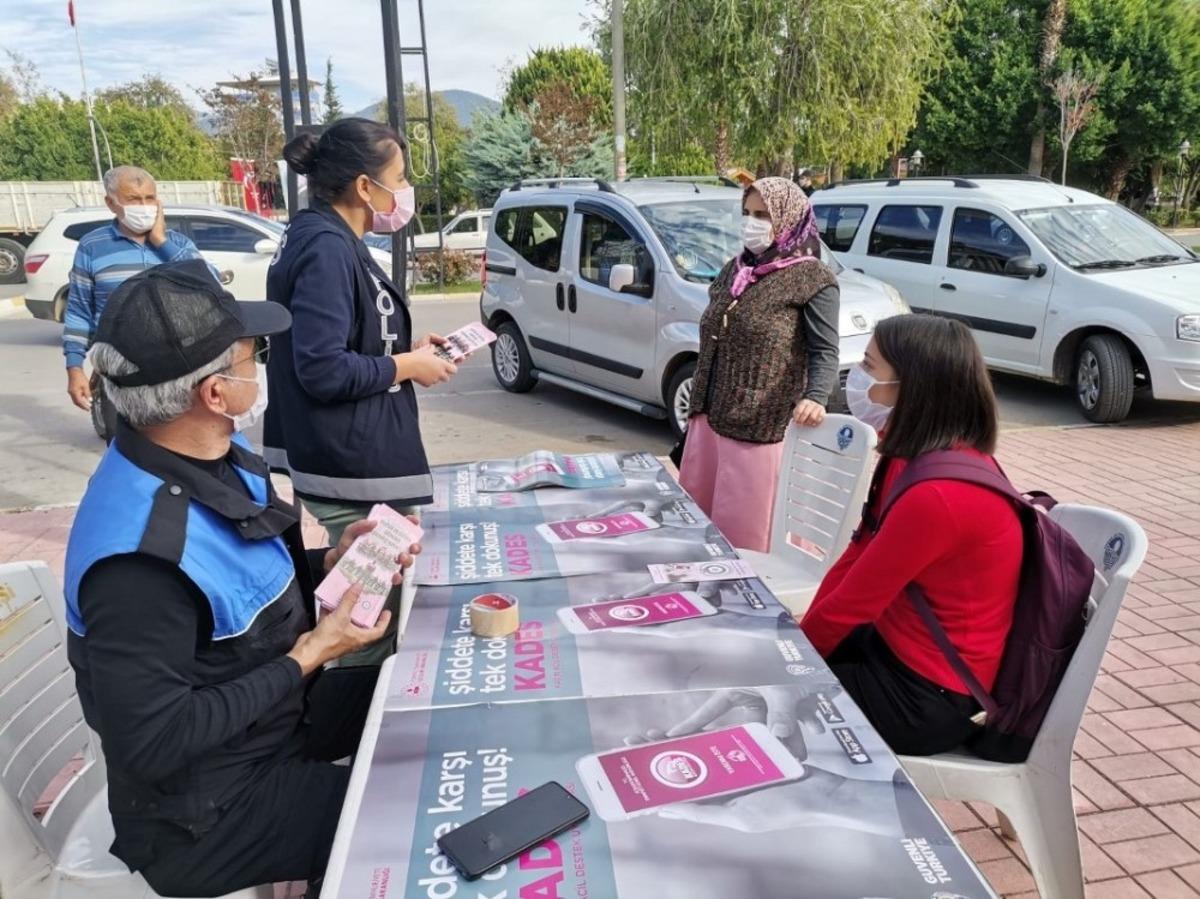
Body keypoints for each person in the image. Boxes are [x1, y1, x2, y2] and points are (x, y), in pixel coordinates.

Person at [64, 260, 421, 897]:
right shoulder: (138, 564)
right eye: (252, 355)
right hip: (205, 814)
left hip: (273, 725)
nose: (260, 367)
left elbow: (234, 589)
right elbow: (153, 741)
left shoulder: (211, 454)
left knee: (419, 703)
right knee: (412, 814)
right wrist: (310, 653)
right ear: (215, 393)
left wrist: (328, 564)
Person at [265, 118, 458, 666]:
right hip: (349, 466)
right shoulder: (326, 247)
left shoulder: (323, 235)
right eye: (399, 178)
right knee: (366, 627)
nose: (406, 191)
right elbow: (322, 368)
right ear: (364, 186)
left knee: (366, 616)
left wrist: (404, 351)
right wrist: (405, 365)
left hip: (350, 458)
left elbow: (346, 335)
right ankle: (354, 709)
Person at [799, 314, 1023, 756]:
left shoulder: (938, 493)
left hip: (927, 696)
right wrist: (802, 639)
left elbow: (857, 601)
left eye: (869, 366)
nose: (856, 378)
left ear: (912, 387)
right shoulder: (914, 459)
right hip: (895, 648)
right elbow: (858, 555)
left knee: (770, 701)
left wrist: (794, 661)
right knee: (778, 657)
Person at [680, 176, 840, 552]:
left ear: (789, 219)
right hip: (709, 418)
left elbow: (825, 350)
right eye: (747, 213)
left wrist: (816, 396)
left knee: (747, 534)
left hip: (759, 425)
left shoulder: (813, 278)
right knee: (698, 526)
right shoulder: (735, 269)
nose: (751, 223)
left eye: (763, 215)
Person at [63, 166, 209, 440]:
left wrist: (161, 241)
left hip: (177, 370)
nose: (144, 206)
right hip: (118, 373)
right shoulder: (92, 247)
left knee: (179, 447)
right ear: (111, 203)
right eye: (133, 199)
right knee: (126, 448)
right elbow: (79, 311)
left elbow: (208, 283)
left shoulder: (177, 244)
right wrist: (74, 368)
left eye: (149, 198)